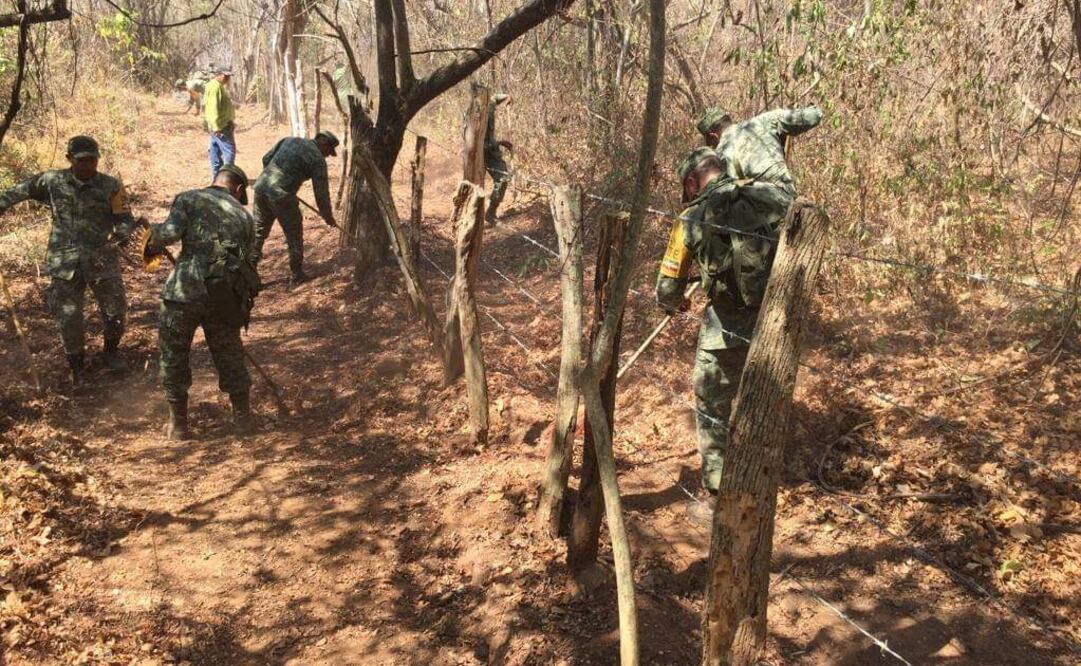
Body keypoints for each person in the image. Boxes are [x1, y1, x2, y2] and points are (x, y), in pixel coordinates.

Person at [657, 146, 792, 522]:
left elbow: (667, 290)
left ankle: (718, 498)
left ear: (690, 182)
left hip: (724, 333)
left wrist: (674, 302)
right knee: (761, 405)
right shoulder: (770, 196)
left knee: (714, 408)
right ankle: (761, 484)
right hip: (774, 327)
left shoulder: (690, 217)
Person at [0, 135, 137, 386]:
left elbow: (126, 218)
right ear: (69, 159)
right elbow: (19, 191)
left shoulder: (111, 186)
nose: (87, 165)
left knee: (115, 310)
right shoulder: (52, 181)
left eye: (92, 160)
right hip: (65, 261)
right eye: (81, 160)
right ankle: (76, 364)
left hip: (101, 258)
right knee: (69, 315)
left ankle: (111, 351)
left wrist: (123, 233)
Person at [141, 164, 261, 440]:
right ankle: (243, 420)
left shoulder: (189, 198)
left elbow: (166, 236)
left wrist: (151, 236)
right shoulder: (245, 218)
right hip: (223, 297)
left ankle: (179, 425)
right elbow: (246, 262)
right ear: (239, 190)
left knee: (174, 354)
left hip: (184, 293)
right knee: (229, 353)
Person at [251, 131, 339, 286]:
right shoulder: (317, 159)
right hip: (282, 196)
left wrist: (273, 179)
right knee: (294, 235)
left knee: (258, 233)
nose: (327, 156)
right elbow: (321, 194)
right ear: (324, 144)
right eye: (328, 152)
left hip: (261, 188)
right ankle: (296, 274)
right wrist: (328, 216)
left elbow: (266, 159)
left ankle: (248, 275)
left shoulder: (289, 139)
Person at [696, 104, 822, 202]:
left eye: (710, 144)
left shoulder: (720, 157)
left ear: (713, 137)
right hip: (789, 199)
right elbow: (813, 115)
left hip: (763, 222)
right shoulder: (764, 121)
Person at [484, 93, 514, 226]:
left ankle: (490, 213)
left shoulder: (489, 105)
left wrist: (507, 96)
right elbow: (480, 145)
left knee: (503, 178)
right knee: (473, 187)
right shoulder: (474, 117)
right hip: (479, 154)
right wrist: (500, 143)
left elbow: (495, 98)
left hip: (491, 151)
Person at [204, 66, 237, 180]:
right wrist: (216, 127)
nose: (228, 79)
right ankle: (227, 178)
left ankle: (216, 177)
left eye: (228, 76)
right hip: (221, 126)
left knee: (215, 151)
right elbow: (213, 108)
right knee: (229, 152)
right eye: (226, 76)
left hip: (219, 125)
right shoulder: (215, 87)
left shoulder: (216, 86)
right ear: (218, 75)